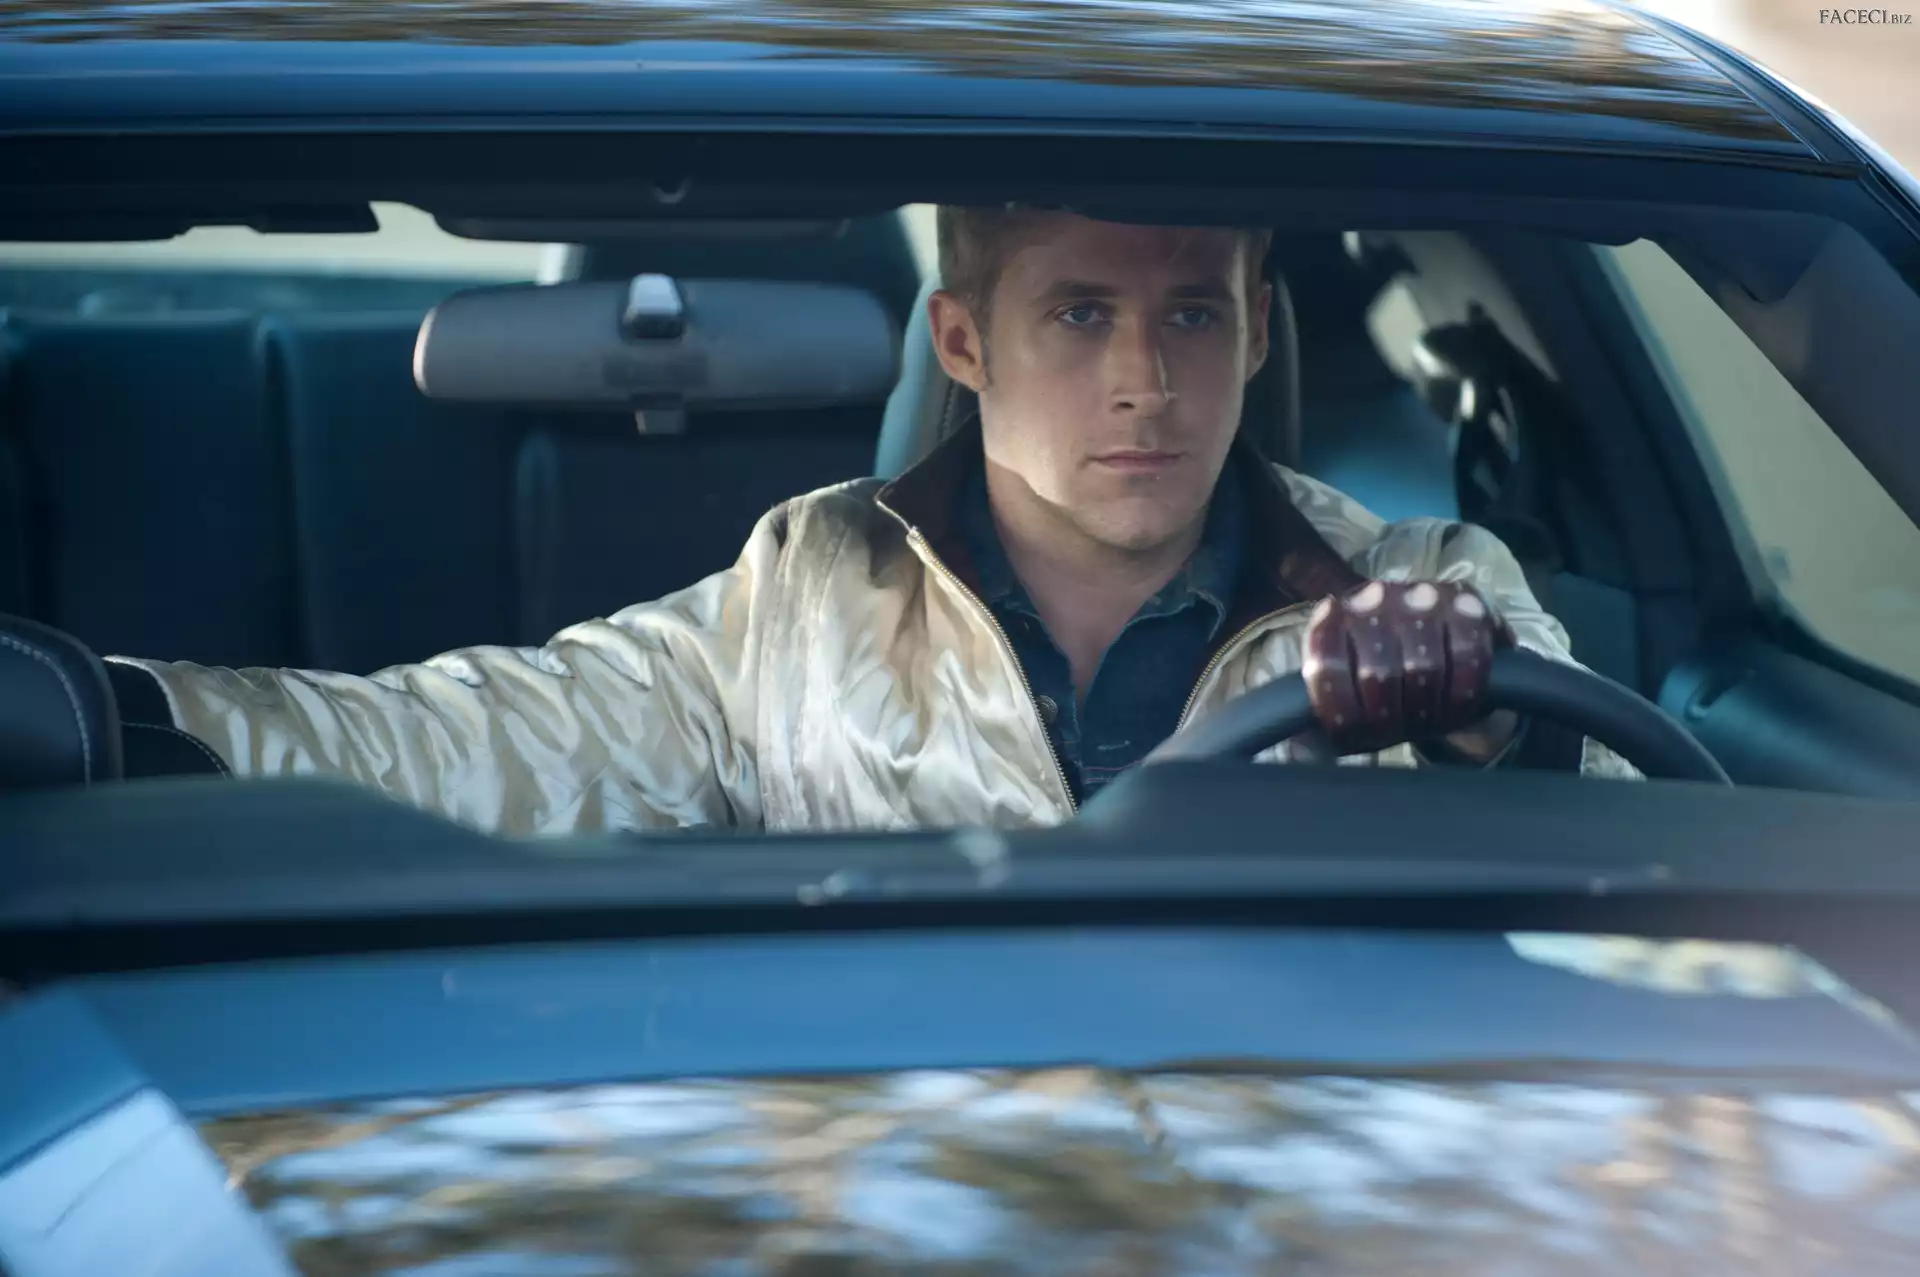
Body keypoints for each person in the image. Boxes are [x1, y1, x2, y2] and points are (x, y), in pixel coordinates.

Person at [106, 207, 1636, 835]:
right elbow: (470, 738)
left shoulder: (1415, 583)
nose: (1144, 380)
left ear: (1257, 333)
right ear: (963, 344)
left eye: (1191, 313)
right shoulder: (810, 592)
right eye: (1080, 314)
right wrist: (111, 716)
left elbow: (1639, 820)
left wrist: (1476, 718)